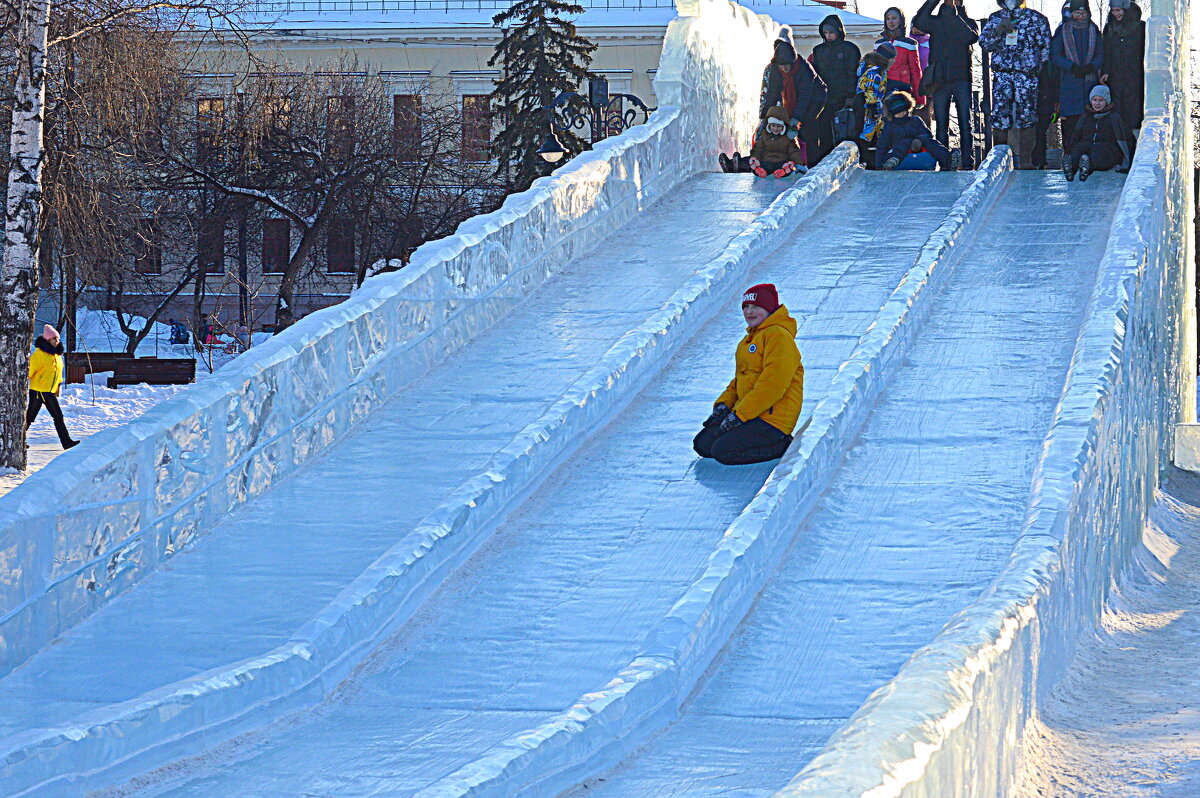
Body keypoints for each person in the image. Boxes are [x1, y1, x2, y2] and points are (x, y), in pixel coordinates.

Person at [694, 284, 803, 466]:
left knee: (723, 451)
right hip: (751, 412)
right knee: (703, 444)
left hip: (772, 419)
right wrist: (723, 405)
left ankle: (783, 445)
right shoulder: (749, 340)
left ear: (769, 309)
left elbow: (772, 386)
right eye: (746, 307)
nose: (749, 312)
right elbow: (740, 380)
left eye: (756, 307)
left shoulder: (778, 336)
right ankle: (744, 429)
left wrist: (739, 415)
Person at [979, 0, 1052, 169]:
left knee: (1027, 117)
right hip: (1002, 74)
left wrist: (1040, 72)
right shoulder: (996, 18)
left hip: (1026, 75)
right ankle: (998, 162)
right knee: (1000, 117)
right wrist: (999, 30)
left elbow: (1046, 48)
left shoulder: (1036, 19)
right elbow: (985, 44)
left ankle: (1026, 161)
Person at [913, 0, 979, 170]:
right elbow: (919, 21)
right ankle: (944, 162)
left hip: (961, 78)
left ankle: (967, 162)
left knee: (965, 121)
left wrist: (955, 13)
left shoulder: (967, 22)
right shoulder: (935, 22)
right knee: (941, 122)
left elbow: (971, 37)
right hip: (940, 79)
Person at [759, 26, 827, 169]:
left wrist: (796, 119)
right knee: (782, 129)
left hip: (815, 98)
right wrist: (764, 118)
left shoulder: (804, 69)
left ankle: (811, 164)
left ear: (793, 62)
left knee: (807, 128)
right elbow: (772, 94)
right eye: (781, 66)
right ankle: (785, 162)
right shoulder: (775, 69)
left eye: (787, 66)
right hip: (794, 99)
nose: (784, 69)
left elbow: (805, 97)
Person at [1051, 0, 1103, 151]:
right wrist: (1071, 66)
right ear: (1071, 14)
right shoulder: (1063, 30)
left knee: (1088, 120)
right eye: (1077, 13)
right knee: (1070, 125)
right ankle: (1069, 155)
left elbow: (1100, 53)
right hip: (1070, 82)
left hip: (1089, 80)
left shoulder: (1094, 30)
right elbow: (1055, 55)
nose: (1080, 16)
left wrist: (1092, 66)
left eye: (1083, 13)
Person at [809, 14, 862, 162]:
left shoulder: (849, 49)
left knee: (844, 130)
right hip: (824, 97)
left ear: (838, 31)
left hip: (843, 97)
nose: (828, 36)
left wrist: (851, 96)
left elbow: (853, 73)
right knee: (824, 130)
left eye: (831, 32)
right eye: (825, 33)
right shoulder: (819, 50)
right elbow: (816, 73)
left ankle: (847, 157)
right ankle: (825, 159)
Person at [1062, 84, 1133, 181]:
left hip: (1106, 148)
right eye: (1095, 100)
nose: (1097, 103)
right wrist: (1071, 149)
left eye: (1101, 100)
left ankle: (1086, 167)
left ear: (1106, 101)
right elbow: (1076, 134)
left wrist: (1125, 158)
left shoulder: (1113, 117)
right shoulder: (1085, 117)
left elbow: (1125, 137)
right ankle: (1071, 167)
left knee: (1097, 153)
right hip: (1086, 144)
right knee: (1079, 150)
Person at [26, 324, 79, 451]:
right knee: (30, 417)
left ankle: (66, 442)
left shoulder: (57, 356)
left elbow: (58, 373)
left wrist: (57, 387)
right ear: (47, 340)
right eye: (54, 339)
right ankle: (19, 440)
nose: (57, 341)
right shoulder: (39, 355)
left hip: (49, 392)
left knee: (58, 416)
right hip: (38, 392)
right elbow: (29, 373)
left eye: (58, 339)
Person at [876, 91, 959, 171]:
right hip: (899, 152)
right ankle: (893, 160)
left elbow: (927, 134)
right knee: (904, 142)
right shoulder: (890, 126)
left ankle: (948, 160)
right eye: (898, 113)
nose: (901, 114)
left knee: (930, 142)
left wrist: (919, 140)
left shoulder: (915, 120)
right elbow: (882, 144)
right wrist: (879, 165)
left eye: (903, 111)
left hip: (919, 150)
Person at [1102, 0, 1145, 135]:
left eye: (1118, 10)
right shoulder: (1109, 28)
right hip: (1116, 75)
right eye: (1113, 10)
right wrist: (1105, 71)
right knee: (1117, 109)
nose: (1115, 14)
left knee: (1134, 110)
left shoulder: (1141, 27)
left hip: (1136, 75)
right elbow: (1106, 52)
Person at [875, 7, 925, 106]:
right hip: (882, 90)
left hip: (903, 90)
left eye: (894, 18)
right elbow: (874, 68)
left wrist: (920, 98)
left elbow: (915, 71)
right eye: (888, 18)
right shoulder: (879, 43)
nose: (891, 21)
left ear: (901, 20)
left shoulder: (909, 43)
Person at [857, 43, 895, 164]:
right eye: (893, 58)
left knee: (877, 133)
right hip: (869, 107)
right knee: (867, 134)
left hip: (871, 105)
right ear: (888, 58)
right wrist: (872, 106)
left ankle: (874, 159)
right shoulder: (876, 70)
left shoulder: (872, 67)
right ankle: (866, 160)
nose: (893, 61)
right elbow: (870, 88)